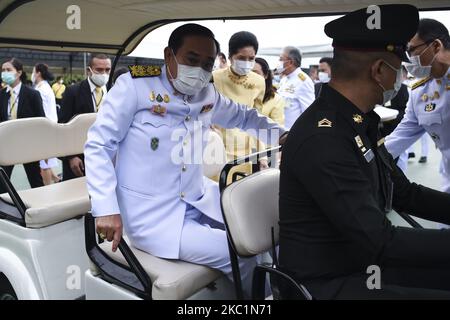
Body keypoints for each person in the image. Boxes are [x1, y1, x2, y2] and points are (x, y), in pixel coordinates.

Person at [84, 23, 286, 296]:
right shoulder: (135, 85)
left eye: (207, 64)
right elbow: (99, 145)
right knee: (241, 254)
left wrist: (284, 137)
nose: (200, 71)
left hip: (198, 198)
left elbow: (245, 116)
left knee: (268, 230)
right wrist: (106, 208)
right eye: (192, 59)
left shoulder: (206, 93)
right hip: (151, 216)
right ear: (169, 55)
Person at [279, 4, 450, 299]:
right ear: (380, 70)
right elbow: (381, 241)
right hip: (327, 282)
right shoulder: (324, 136)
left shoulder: (357, 121)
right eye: (402, 65)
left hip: (362, 262)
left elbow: (403, 192)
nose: (404, 75)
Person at [386, 18, 450, 192]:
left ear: (436, 46)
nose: (408, 60)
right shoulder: (420, 92)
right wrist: (366, 158)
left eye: (411, 51)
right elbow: (401, 135)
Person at [213, 31, 269, 169]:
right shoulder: (214, 78)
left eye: (251, 58)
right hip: (217, 146)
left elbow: (258, 119)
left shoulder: (259, 81)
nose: (247, 62)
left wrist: (262, 156)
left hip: (244, 150)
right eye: (241, 58)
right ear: (231, 57)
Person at [59, 53, 111, 181]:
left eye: (107, 70)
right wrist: (71, 156)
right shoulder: (73, 92)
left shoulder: (114, 91)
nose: (104, 73)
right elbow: (63, 126)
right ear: (89, 70)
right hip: (79, 160)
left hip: (106, 157)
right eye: (99, 70)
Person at [0, 58, 45, 192]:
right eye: (3, 70)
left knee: (35, 180)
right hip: (7, 145)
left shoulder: (32, 94)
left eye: (8, 70)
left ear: (19, 73)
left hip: (28, 144)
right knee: (2, 180)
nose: (4, 73)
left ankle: (42, 206)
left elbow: (41, 121)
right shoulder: (2, 95)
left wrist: (42, 146)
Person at [32, 63, 61, 185]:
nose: (32, 74)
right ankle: (56, 179)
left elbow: (41, 112)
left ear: (38, 73)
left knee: (44, 165)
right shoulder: (44, 87)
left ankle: (48, 189)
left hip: (45, 130)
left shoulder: (41, 90)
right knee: (46, 162)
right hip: (49, 128)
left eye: (33, 71)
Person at [276, 46, 315, 129]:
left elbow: (308, 113)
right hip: (281, 130)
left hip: (292, 133)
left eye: (281, 59)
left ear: (290, 62)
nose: (279, 62)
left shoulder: (303, 81)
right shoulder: (284, 79)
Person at [252, 57, 285, 126]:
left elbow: (276, 131)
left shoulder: (276, 100)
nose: (251, 77)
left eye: (255, 73)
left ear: (266, 75)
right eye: (248, 73)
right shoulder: (240, 94)